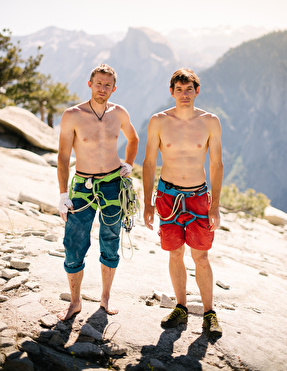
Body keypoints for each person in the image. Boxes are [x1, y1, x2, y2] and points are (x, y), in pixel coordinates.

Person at [143, 67, 223, 336]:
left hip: (198, 197)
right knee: (175, 253)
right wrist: (147, 202)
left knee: (201, 256)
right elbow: (149, 162)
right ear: (172, 92)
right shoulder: (159, 121)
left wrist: (215, 206)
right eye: (179, 89)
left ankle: (210, 313)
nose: (185, 94)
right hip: (167, 196)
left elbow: (216, 164)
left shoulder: (210, 121)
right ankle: (181, 307)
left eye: (189, 89)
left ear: (197, 91)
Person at [57, 63, 139, 321]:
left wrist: (129, 164)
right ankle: (75, 301)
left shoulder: (119, 113)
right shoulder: (73, 115)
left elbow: (134, 139)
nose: (102, 88)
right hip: (82, 186)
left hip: (114, 183)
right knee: (73, 243)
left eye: (107, 85)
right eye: (98, 83)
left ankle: (105, 298)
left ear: (114, 88)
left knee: (110, 241)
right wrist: (62, 196)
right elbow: (62, 157)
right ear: (90, 84)